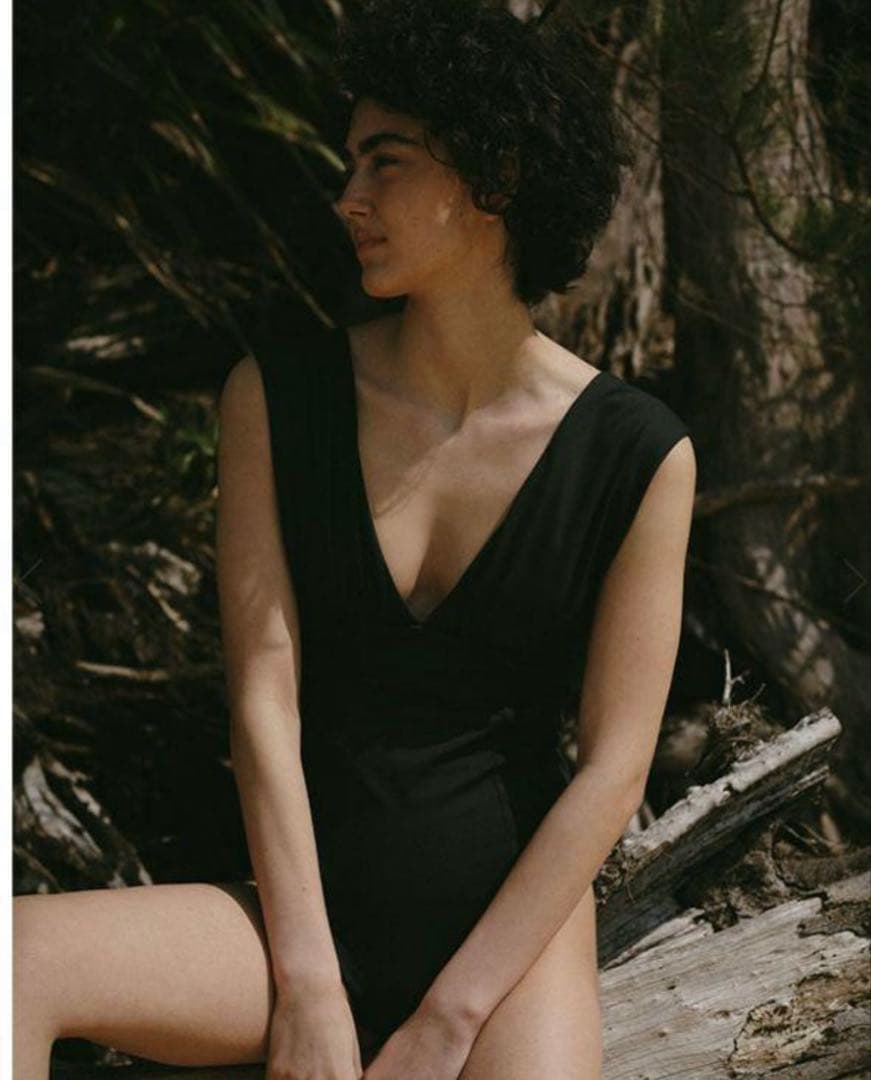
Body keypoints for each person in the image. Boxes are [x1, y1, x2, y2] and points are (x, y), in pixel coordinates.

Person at [13, 1, 696, 1077]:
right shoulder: (279, 397)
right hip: (296, 917)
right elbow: (263, 702)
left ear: (494, 175)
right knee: (15, 959)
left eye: (386, 161)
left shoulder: (638, 451)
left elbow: (614, 768)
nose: (349, 197)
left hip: (506, 951)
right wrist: (309, 986)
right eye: (350, 164)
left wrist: (448, 1020)